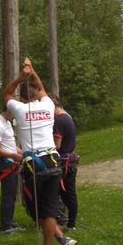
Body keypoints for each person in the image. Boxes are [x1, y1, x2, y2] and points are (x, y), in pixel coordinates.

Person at [3, 57, 78, 245]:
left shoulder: (18, 109)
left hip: (34, 166)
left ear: (22, 97)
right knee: (50, 208)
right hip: (53, 162)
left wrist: (20, 77)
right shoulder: (46, 105)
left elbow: (6, 93)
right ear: (37, 96)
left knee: (38, 210)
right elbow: (42, 89)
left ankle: (57, 243)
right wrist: (32, 71)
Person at [0, 106, 23, 234]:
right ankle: (5, 225)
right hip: (5, 163)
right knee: (8, 195)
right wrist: (13, 156)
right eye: (14, 114)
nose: (15, 116)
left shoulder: (7, 123)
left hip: (12, 161)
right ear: (8, 110)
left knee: (12, 194)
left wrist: (24, 151)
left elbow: (10, 144)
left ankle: (10, 221)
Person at [50, 94, 79, 231]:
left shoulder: (59, 121)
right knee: (69, 193)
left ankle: (64, 222)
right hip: (70, 160)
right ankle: (71, 222)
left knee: (60, 194)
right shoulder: (67, 117)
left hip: (63, 162)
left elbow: (57, 145)